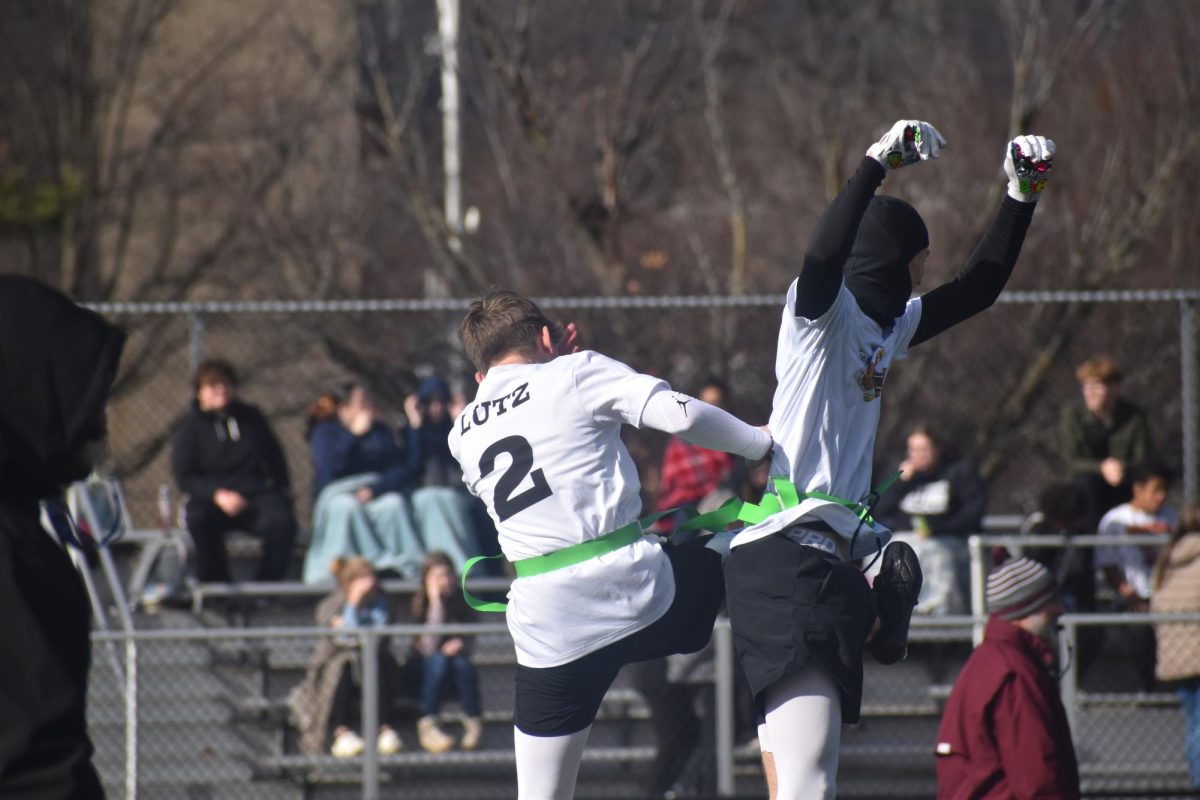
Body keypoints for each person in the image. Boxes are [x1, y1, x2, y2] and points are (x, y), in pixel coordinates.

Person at [722, 120, 1055, 798]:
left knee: (799, 784)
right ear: (892, 256)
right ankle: (882, 608)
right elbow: (819, 259)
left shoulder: (884, 329)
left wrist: (1021, 195)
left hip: (813, 557)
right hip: (791, 558)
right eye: (919, 259)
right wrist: (876, 162)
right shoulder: (822, 317)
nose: (924, 273)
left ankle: (880, 603)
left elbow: (976, 290)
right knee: (809, 789)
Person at [446, 290, 772, 799]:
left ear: (478, 374)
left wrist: (543, 372)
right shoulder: (576, 372)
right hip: (635, 592)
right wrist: (759, 442)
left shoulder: (460, 432)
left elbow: (526, 429)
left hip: (549, 624)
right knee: (756, 544)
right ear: (547, 337)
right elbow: (681, 417)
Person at [0, 276, 125, 798]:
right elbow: (33, 760)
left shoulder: (22, 526)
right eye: (79, 399)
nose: (96, 426)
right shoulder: (11, 549)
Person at [935, 556, 1080, 798]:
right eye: (1050, 601)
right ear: (1027, 606)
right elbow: (1036, 775)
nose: (1059, 609)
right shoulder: (1015, 671)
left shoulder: (987, 659)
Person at [171, 359, 298, 582]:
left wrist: (280, 490)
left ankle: (265, 588)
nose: (221, 390)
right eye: (213, 386)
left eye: (226, 384)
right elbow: (185, 476)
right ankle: (217, 588)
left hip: (254, 496)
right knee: (199, 519)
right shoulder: (189, 429)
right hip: (214, 500)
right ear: (200, 392)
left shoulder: (252, 419)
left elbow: (275, 458)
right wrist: (217, 494)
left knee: (281, 520)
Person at [302, 383, 425, 583]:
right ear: (345, 409)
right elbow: (329, 470)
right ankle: (354, 568)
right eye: (362, 403)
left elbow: (399, 468)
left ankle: (405, 568)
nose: (368, 407)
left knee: (393, 504)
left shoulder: (379, 432)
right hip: (337, 495)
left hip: (374, 492)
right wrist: (353, 436)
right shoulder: (324, 432)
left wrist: (374, 490)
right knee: (347, 507)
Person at [288, 556, 405, 758]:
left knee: (377, 662)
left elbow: (377, 637)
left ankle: (384, 729)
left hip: (374, 662)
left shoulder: (381, 602)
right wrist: (353, 603)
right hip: (337, 664)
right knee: (343, 666)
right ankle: (342, 732)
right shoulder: (331, 605)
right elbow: (344, 640)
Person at [873, 423, 987, 615]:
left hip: (947, 541)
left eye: (924, 449)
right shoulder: (900, 476)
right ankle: (887, 611)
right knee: (883, 553)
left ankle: (937, 616)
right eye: (913, 450)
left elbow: (971, 513)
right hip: (907, 538)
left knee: (933, 553)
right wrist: (900, 482)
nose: (918, 455)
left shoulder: (958, 473)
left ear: (938, 449)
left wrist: (937, 529)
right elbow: (879, 511)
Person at [1059, 356, 1153, 529]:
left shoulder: (1134, 417)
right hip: (1087, 490)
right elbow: (1071, 461)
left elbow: (1144, 459)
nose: (1090, 393)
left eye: (1096, 386)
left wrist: (1121, 467)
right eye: (1086, 387)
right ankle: (1087, 550)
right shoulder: (1073, 416)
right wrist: (1102, 468)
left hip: (1124, 483)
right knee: (1086, 484)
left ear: (1114, 387)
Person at [405, 551, 483, 753]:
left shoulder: (462, 601)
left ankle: (473, 721)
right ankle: (429, 723)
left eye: (447, 575)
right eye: (438, 576)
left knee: (462, 663)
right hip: (422, 671)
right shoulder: (420, 604)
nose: (444, 581)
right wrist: (436, 604)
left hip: (454, 668)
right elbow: (427, 648)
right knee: (438, 660)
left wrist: (460, 644)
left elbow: (471, 638)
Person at [1150, 506, 1200, 788]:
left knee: (1193, 719)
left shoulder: (1167, 560)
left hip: (1176, 654)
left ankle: (1196, 774)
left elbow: (1156, 601)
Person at [653, 377, 737, 529]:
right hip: (684, 501)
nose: (712, 409)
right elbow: (674, 481)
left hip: (719, 498)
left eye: (717, 404)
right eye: (707, 403)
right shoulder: (683, 436)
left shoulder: (735, 437)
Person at [1095, 460, 1176, 613]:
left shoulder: (1171, 518)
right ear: (1138, 489)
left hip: (1164, 600)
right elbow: (1106, 562)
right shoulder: (1116, 519)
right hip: (1125, 604)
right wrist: (1126, 591)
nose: (1161, 496)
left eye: (1165, 490)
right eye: (1156, 490)